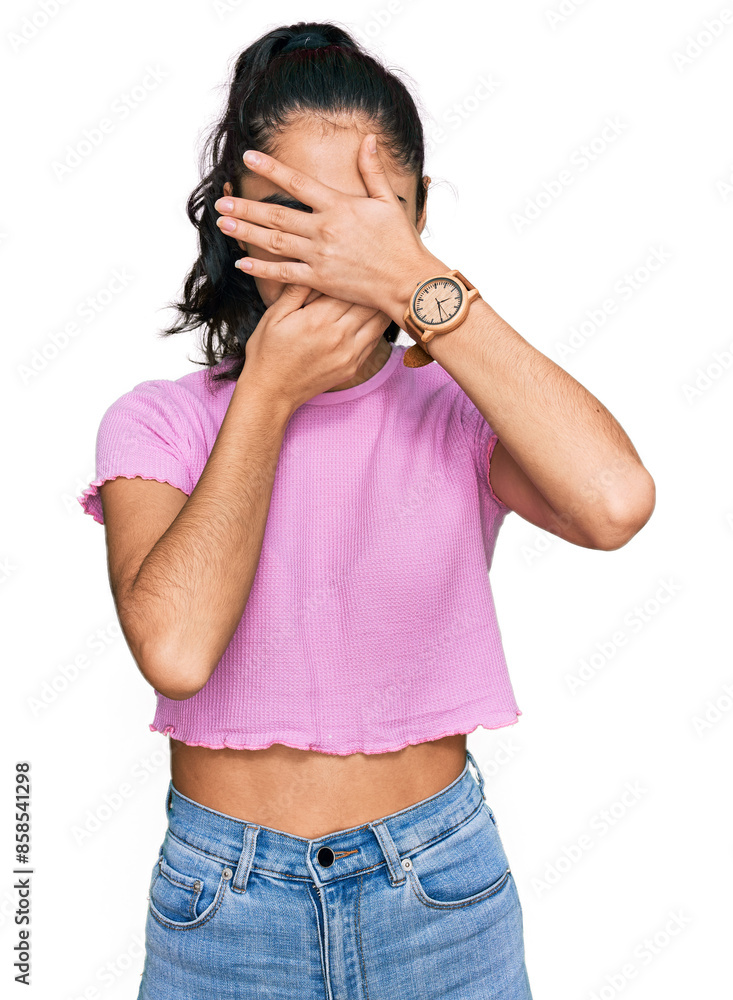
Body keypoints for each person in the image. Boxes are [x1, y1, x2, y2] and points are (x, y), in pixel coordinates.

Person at [77, 20, 655, 999]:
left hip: (440, 893)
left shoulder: (457, 408)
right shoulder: (159, 421)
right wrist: (264, 395)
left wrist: (416, 287)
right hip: (224, 908)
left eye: (362, 221)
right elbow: (174, 651)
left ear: (415, 221)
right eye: (290, 214)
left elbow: (612, 503)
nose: (326, 251)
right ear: (232, 223)